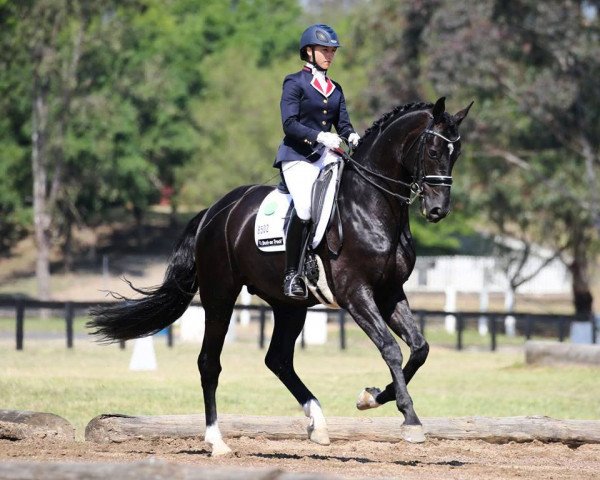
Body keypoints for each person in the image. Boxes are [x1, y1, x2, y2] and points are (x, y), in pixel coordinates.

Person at [273, 24, 360, 299]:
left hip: (326, 158)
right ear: (309, 51)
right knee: (306, 210)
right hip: (298, 157)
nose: (329, 55)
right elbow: (289, 124)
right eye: (325, 50)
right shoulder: (294, 82)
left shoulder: (335, 89)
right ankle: (291, 274)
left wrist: (352, 136)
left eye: (332, 51)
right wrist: (321, 136)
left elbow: (343, 125)